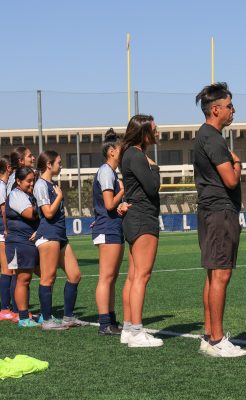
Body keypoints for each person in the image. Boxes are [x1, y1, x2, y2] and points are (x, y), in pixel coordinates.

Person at [193, 82, 246, 358]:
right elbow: (230, 178)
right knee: (221, 273)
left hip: (211, 211)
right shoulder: (212, 138)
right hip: (219, 212)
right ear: (215, 109)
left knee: (214, 273)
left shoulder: (205, 136)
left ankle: (209, 335)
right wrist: (237, 164)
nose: (233, 110)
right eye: (228, 106)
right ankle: (216, 339)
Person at [118, 114, 163, 348]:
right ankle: (136, 331)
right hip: (143, 218)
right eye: (154, 129)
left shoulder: (131, 154)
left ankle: (128, 328)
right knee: (141, 277)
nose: (157, 132)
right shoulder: (136, 155)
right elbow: (153, 187)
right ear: (143, 132)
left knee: (134, 275)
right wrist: (154, 168)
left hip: (136, 218)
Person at [34, 150, 87, 330]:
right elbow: (48, 212)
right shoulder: (41, 184)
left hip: (60, 235)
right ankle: (47, 320)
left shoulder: (52, 183)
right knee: (48, 278)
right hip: (49, 235)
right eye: (58, 162)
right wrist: (59, 197)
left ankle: (68, 317)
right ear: (49, 164)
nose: (61, 165)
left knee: (75, 275)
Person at [92, 129, 129, 336]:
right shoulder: (106, 171)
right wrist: (122, 192)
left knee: (111, 277)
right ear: (112, 151)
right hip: (107, 228)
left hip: (112, 227)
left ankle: (111, 320)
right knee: (106, 277)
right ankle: (104, 323)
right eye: (121, 149)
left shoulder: (110, 172)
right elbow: (108, 204)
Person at [5, 167, 40, 328]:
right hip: (20, 242)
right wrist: (45, 206)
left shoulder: (27, 195)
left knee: (44, 275)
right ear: (18, 181)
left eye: (33, 180)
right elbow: (29, 213)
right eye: (28, 181)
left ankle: (36, 313)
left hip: (28, 242)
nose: (32, 184)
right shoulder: (16, 194)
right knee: (23, 279)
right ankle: (23, 317)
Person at [0, 156, 17, 322]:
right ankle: (4, 309)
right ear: (8, 167)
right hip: (2, 229)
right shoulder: (0, 186)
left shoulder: (5, 184)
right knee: (7, 270)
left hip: (5, 229)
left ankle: (10, 307)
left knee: (11, 269)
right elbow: (4, 209)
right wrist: (8, 229)